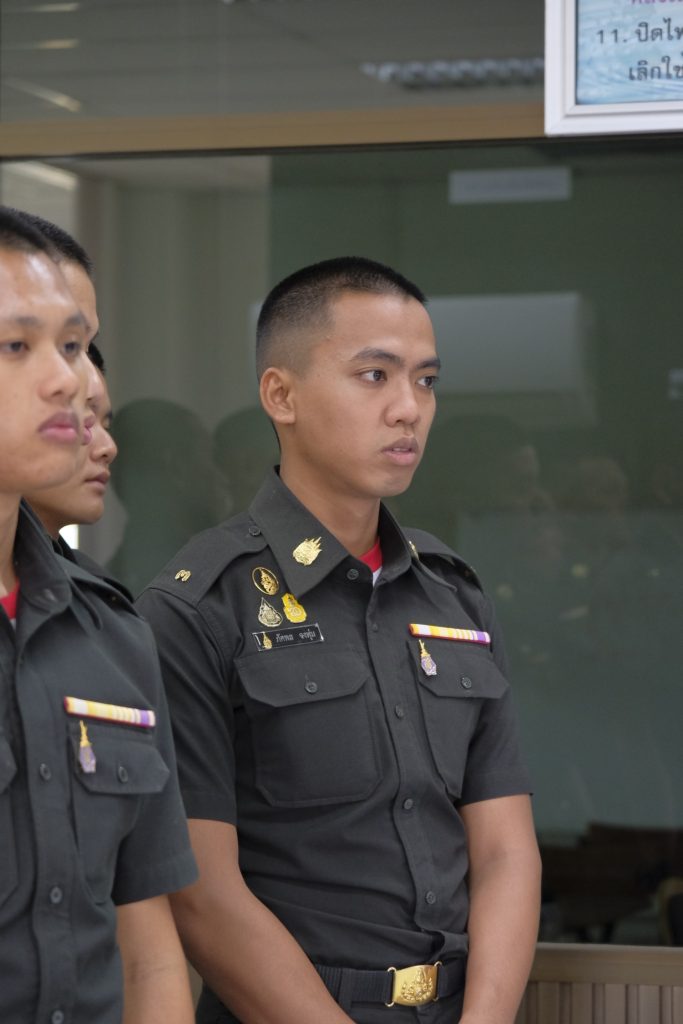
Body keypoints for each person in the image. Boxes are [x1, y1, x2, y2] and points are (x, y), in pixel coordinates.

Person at [138, 257, 541, 1024]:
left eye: (425, 381)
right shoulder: (199, 605)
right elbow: (201, 891)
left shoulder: (452, 595)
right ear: (280, 395)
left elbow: (503, 852)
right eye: (373, 376)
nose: (408, 409)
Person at [0, 206, 197, 1023]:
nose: (69, 382)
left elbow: (148, 951)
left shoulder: (111, 635)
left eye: (75, 345)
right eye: (16, 346)